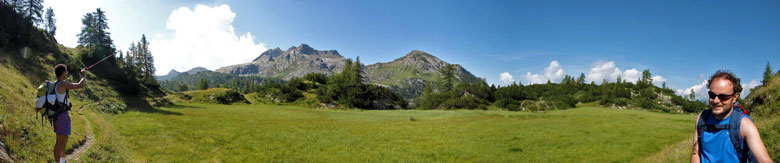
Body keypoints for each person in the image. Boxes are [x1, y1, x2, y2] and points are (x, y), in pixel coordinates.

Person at [691, 70, 773, 163]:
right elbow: (695, 153)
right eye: (712, 95)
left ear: (735, 98)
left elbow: (764, 160)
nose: (716, 101)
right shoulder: (702, 118)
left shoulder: (744, 124)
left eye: (723, 97)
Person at [52, 64, 86, 163]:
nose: (67, 73)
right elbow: (81, 85)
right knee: (59, 142)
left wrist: (66, 105)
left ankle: (62, 160)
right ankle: (58, 162)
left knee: (64, 139)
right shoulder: (63, 84)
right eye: (66, 71)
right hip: (62, 117)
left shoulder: (56, 84)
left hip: (60, 115)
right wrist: (83, 75)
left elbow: (59, 99)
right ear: (63, 73)